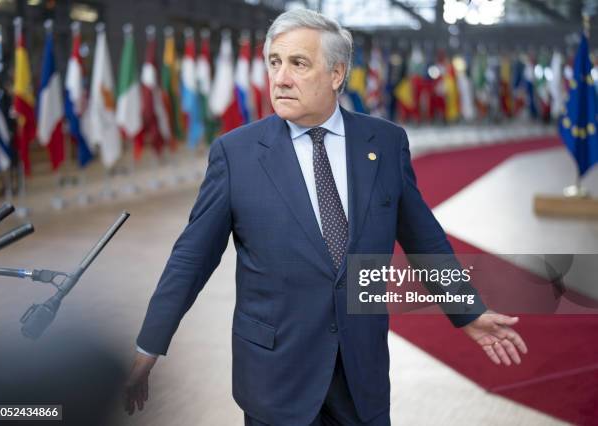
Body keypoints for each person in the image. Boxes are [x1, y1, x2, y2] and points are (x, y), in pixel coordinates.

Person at [125, 9, 528, 425]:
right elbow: (191, 257)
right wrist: (148, 347)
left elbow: (424, 239)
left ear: (337, 75)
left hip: (361, 377)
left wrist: (468, 310)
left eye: (298, 64)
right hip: (276, 379)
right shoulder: (237, 154)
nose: (280, 78)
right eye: (275, 62)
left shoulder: (385, 144)